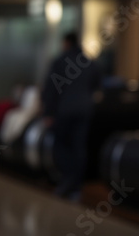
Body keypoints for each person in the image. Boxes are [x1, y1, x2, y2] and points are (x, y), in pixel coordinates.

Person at [41, 32, 101, 201]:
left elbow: (50, 89)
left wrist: (48, 113)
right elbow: (97, 85)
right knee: (79, 148)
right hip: (84, 111)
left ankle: (67, 182)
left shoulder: (60, 61)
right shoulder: (89, 62)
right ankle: (75, 187)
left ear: (66, 43)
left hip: (64, 112)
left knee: (60, 147)